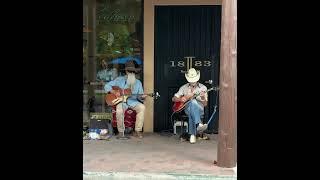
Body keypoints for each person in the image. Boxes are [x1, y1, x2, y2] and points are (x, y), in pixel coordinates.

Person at [104, 60, 146, 138]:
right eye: (130, 71)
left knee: (142, 107)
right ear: (126, 71)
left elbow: (140, 97)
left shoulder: (138, 83)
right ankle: (121, 131)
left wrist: (142, 97)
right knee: (119, 110)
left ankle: (138, 130)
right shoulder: (119, 80)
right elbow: (107, 86)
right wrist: (113, 91)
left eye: (133, 71)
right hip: (121, 102)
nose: (131, 73)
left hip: (133, 102)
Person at [172, 68, 208, 143]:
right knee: (192, 104)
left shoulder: (203, 88)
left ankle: (192, 135)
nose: (193, 82)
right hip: (187, 109)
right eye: (191, 80)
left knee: (193, 102)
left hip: (200, 109)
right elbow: (174, 99)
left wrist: (202, 97)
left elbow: (205, 104)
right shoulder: (183, 87)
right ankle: (199, 124)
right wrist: (181, 99)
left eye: (194, 80)